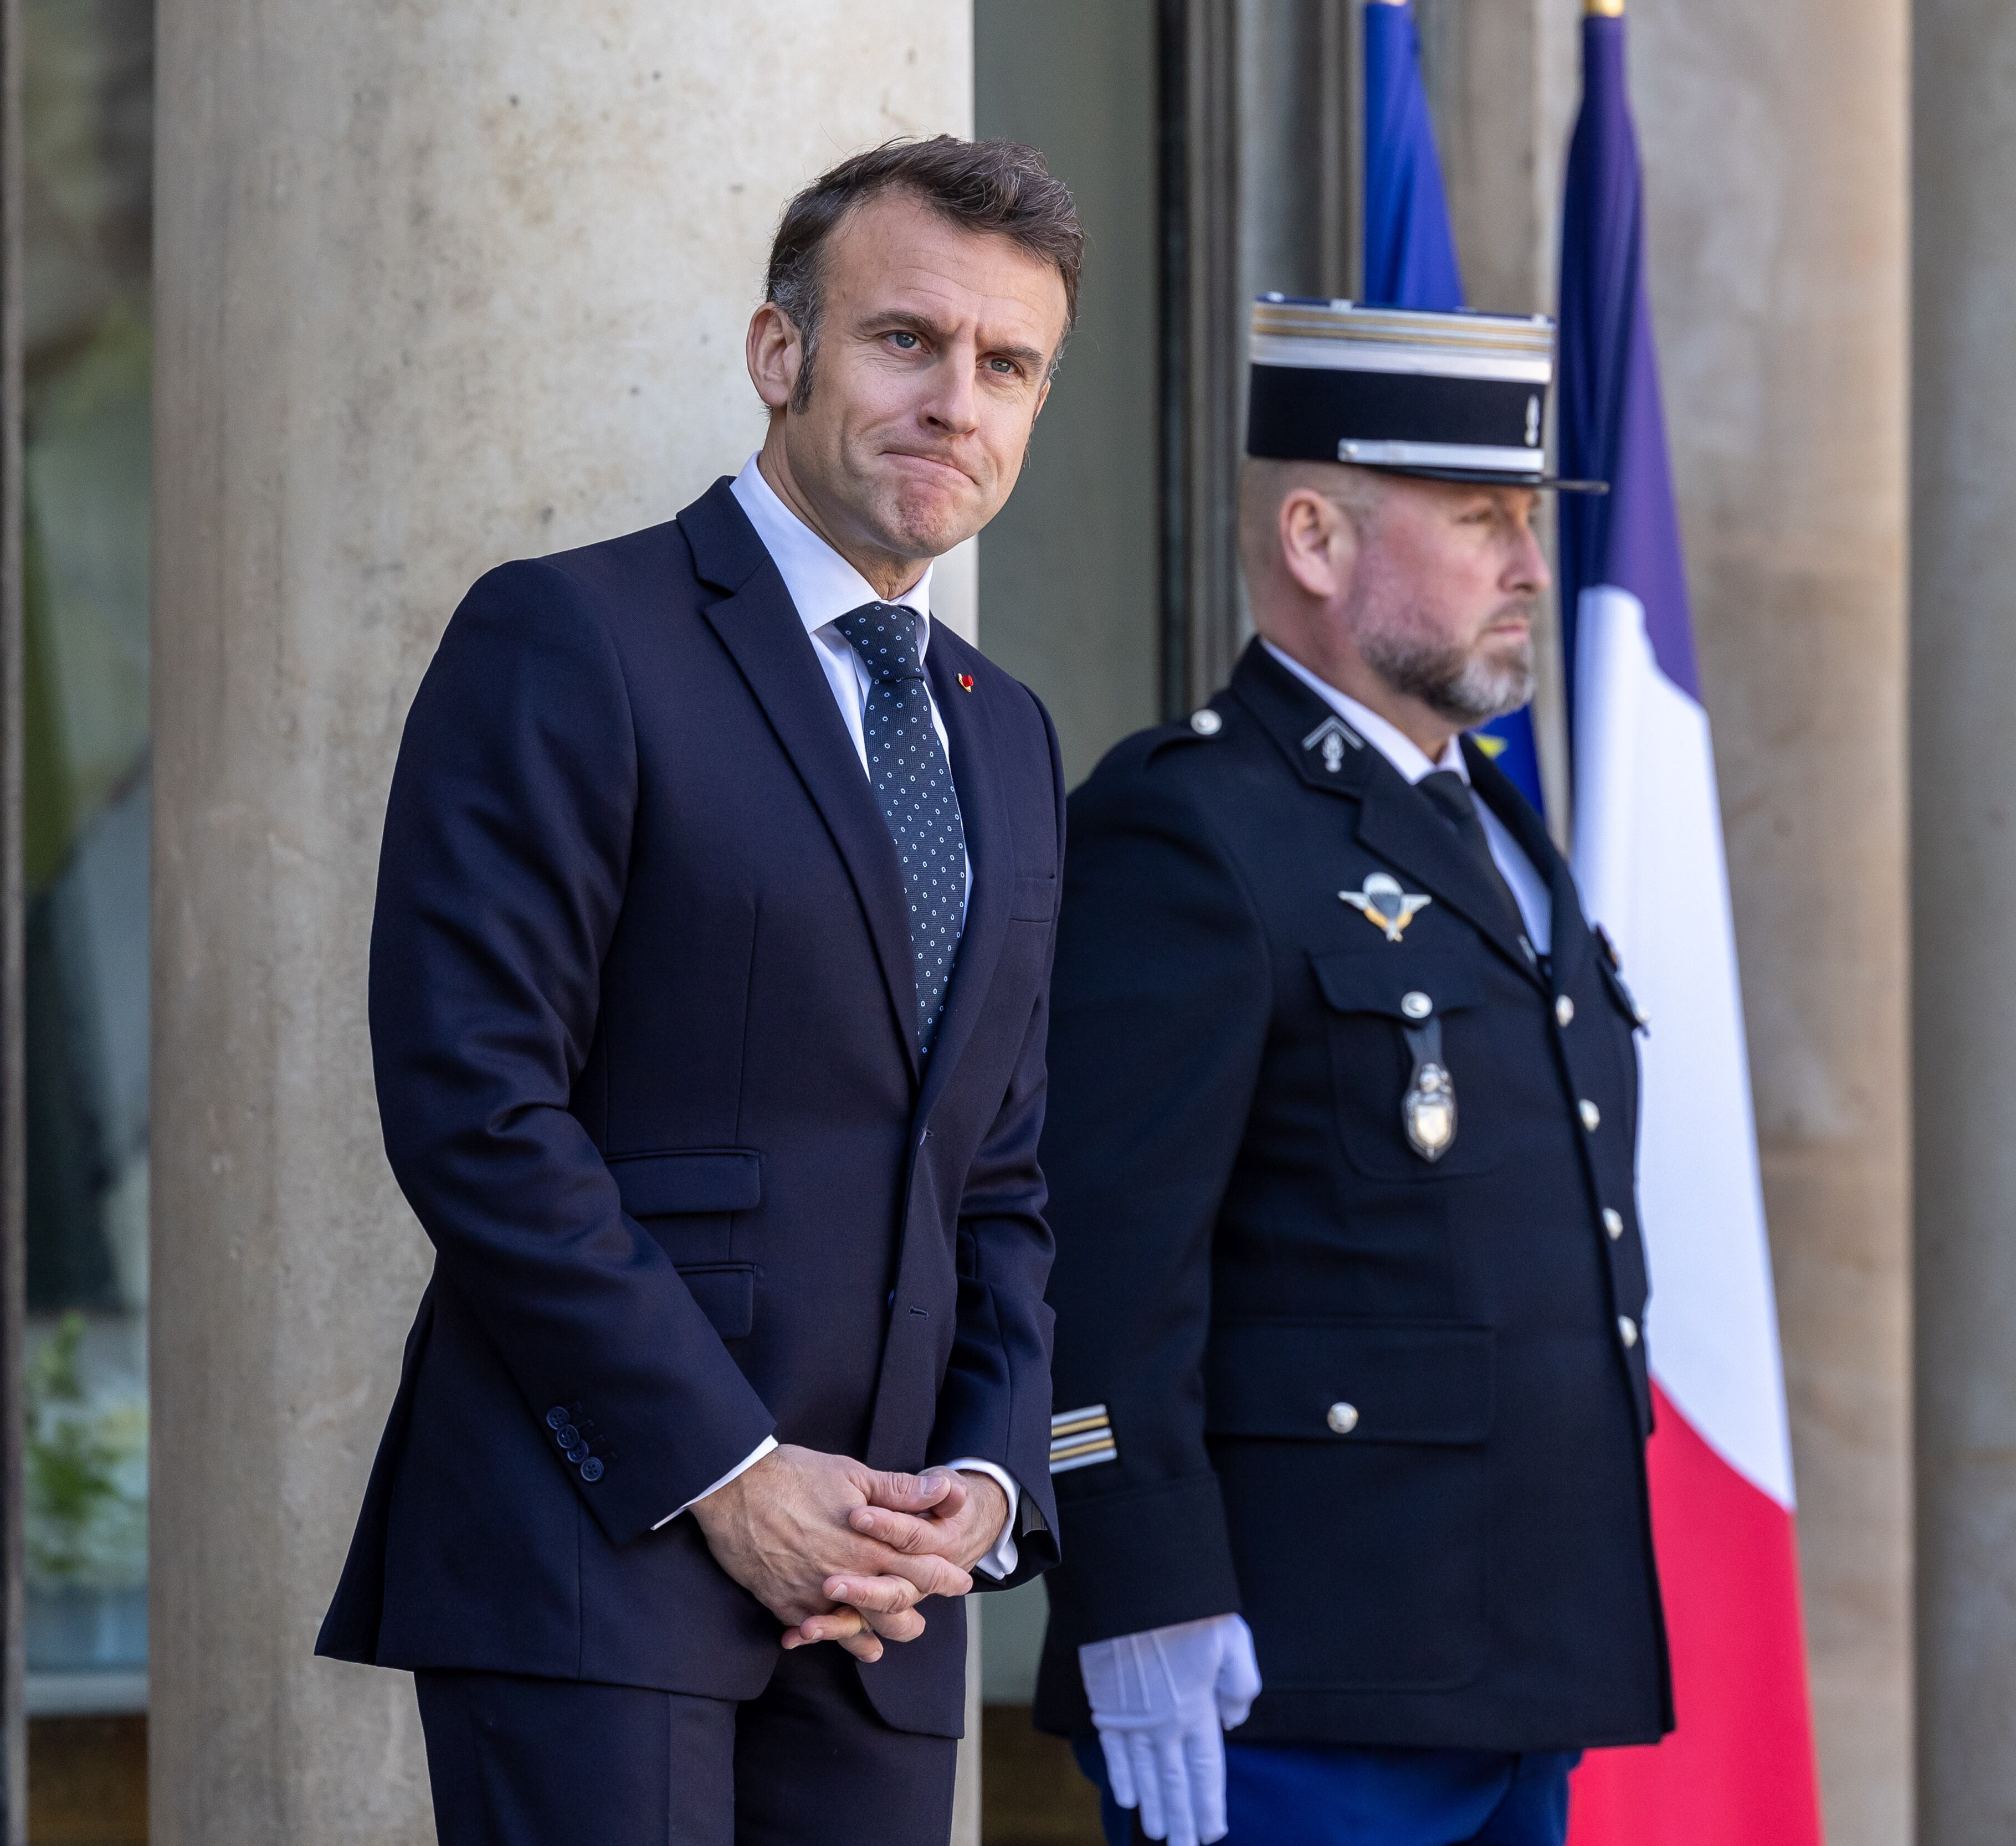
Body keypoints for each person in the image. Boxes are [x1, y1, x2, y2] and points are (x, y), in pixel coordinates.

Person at [315, 137, 1081, 1846]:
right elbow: (476, 1107)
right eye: (906, 339)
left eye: (1008, 364)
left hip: (882, 1605)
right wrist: (730, 1474)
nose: (955, 402)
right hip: (599, 1561)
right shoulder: (572, 638)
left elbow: (1002, 1178)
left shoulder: (1007, 733)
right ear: (779, 351)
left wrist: (985, 1479)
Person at [1030, 296, 1670, 1846]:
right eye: (1480, 519)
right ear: (1314, 539)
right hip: (1290, 1679)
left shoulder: (1486, 821)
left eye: (1531, 521)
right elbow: (1097, 1259)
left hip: (1513, 1664)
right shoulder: (1191, 824)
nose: (1530, 567)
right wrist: (1140, 1584)